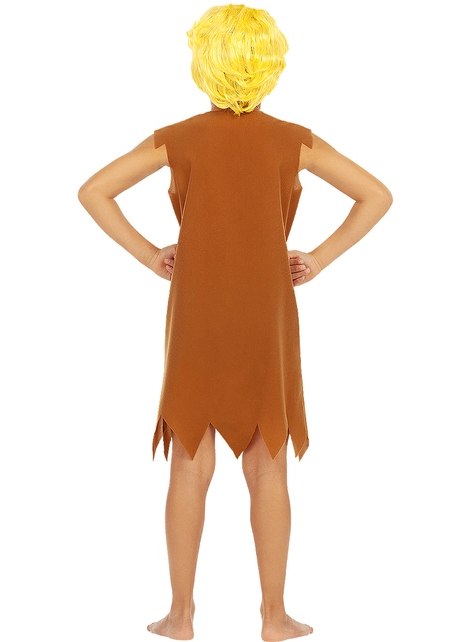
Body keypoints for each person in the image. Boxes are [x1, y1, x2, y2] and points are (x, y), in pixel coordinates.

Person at [77, 4, 393, 640]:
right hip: (267, 308)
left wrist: (151, 255)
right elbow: (377, 195)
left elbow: (93, 191)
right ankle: (274, 617)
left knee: (188, 459)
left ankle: (180, 616)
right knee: (267, 460)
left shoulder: (177, 136)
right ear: (270, 64)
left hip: (196, 306)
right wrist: (319, 258)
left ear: (204, 63)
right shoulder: (294, 139)